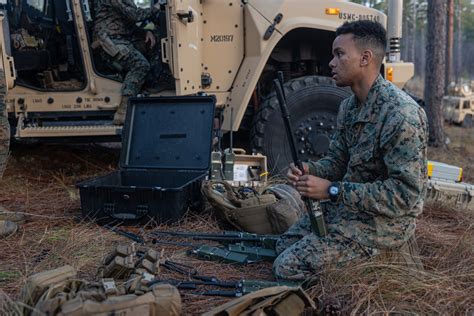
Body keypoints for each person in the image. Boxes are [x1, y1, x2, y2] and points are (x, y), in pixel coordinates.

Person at [273, 20, 429, 280]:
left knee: (287, 267)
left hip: (384, 225)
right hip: (351, 210)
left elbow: (405, 196)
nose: (331, 63)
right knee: (283, 245)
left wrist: (332, 190)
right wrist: (312, 170)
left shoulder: (401, 114)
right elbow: (338, 162)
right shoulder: (349, 107)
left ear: (365, 58)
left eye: (339, 54)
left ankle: (380, 269)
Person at [93, 0, 160, 125]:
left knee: (153, 40)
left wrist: (146, 32)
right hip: (109, 42)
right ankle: (123, 112)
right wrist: (157, 7)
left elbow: (128, 24)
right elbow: (134, 15)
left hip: (120, 38)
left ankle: (149, 85)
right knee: (140, 65)